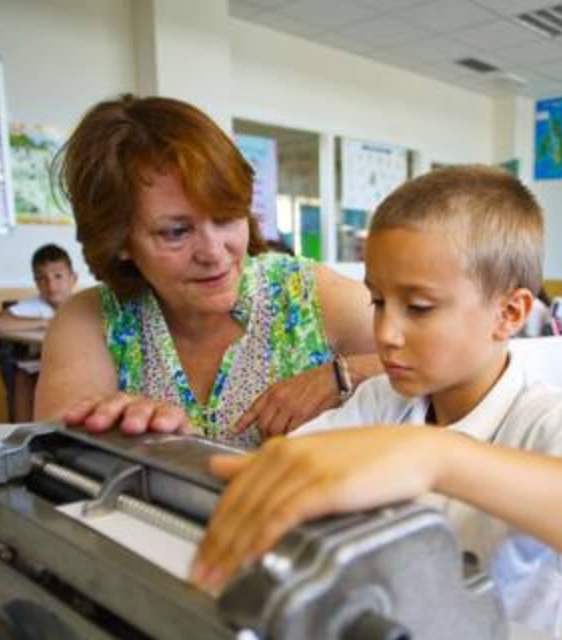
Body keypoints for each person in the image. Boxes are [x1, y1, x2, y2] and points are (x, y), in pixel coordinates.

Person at [189, 166, 562, 640]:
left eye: (419, 307)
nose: (385, 333)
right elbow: (283, 473)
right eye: (378, 301)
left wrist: (441, 458)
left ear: (508, 313)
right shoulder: (381, 399)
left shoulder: (550, 422)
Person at [34, 95, 377, 448]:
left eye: (226, 216)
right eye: (176, 232)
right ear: (119, 240)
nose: (214, 253)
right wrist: (128, 434)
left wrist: (344, 374)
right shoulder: (92, 320)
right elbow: (56, 455)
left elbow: (436, 368)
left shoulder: (307, 295)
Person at [0, 243, 78, 421]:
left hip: (77, 367)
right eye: (42, 278)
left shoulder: (83, 305)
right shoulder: (33, 306)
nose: (51, 284)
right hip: (38, 369)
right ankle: (27, 433)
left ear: (73, 278)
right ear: (36, 282)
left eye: (58, 276)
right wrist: (44, 323)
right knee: (23, 374)